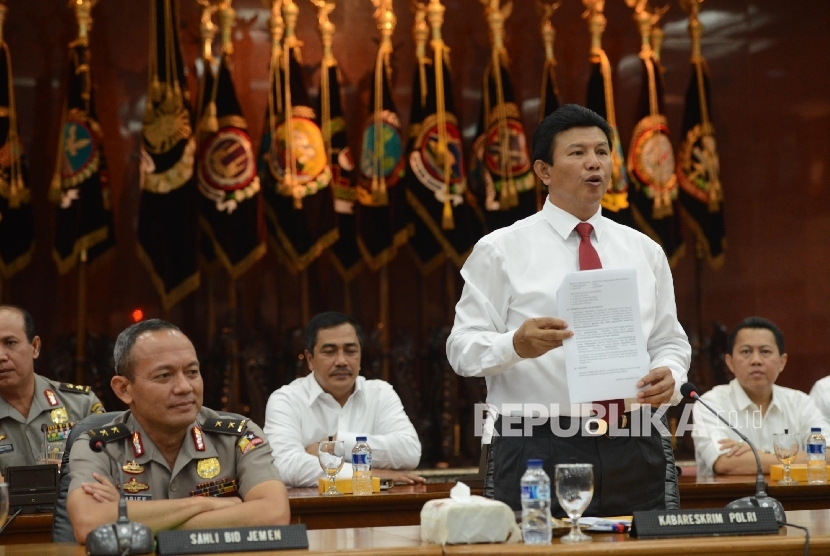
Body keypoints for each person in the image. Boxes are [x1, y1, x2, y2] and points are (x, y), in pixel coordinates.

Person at [446, 104, 690, 517]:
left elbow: (669, 341)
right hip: (537, 443)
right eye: (577, 153)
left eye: (601, 151)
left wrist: (671, 374)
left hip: (635, 439)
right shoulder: (501, 250)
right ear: (543, 171)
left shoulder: (644, 251)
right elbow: (461, 348)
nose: (593, 163)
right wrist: (515, 345)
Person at [67, 319, 289, 544]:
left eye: (192, 372)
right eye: (164, 376)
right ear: (124, 389)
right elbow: (89, 523)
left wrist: (128, 515)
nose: (184, 387)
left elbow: (274, 514)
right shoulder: (98, 446)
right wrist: (204, 504)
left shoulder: (238, 436)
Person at [263, 311, 423, 488]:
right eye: (329, 352)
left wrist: (334, 444)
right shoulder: (286, 400)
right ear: (310, 359)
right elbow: (285, 466)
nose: (341, 361)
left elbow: (410, 451)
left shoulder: (380, 393)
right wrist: (366, 474)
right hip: (312, 511)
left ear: (360, 356)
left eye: (350, 351)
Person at [692, 316, 830, 476]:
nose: (756, 360)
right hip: (731, 500)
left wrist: (757, 456)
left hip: (792, 499)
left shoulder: (800, 403)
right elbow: (725, 464)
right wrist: (797, 458)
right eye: (746, 352)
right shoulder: (710, 404)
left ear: (782, 362)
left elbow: (827, 455)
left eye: (765, 351)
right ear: (729, 362)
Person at [0, 305, 105, 477]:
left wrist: (74, 469)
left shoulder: (81, 405)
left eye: (10, 343)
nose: (1, 356)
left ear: (35, 347)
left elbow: (112, 471)